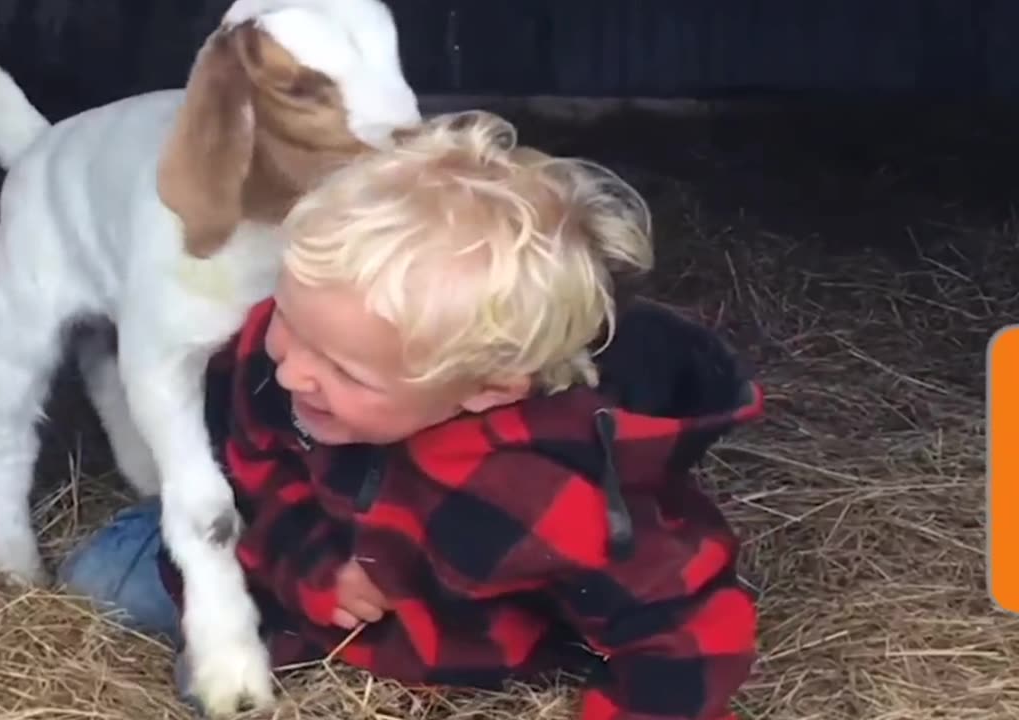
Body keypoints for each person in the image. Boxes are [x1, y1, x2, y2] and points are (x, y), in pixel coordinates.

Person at [58, 111, 764, 720]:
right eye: (290, 322)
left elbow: (683, 627)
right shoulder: (289, 369)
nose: (292, 367)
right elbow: (252, 466)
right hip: (308, 586)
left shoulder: (546, 486)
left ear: (486, 389)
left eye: (344, 369)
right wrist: (312, 565)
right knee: (104, 583)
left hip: (450, 637)